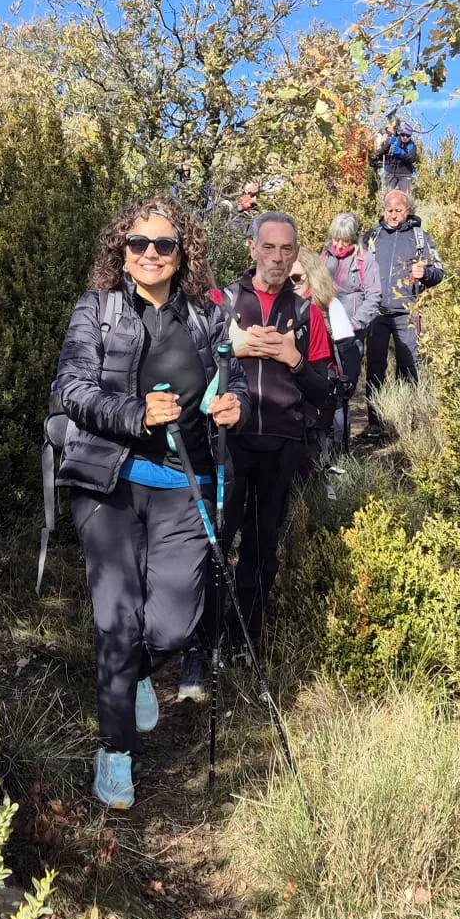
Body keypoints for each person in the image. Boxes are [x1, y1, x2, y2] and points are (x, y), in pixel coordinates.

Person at [53, 195, 248, 810]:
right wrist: (136, 415)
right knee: (118, 621)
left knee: (172, 624)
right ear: (123, 250)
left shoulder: (208, 316)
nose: (150, 254)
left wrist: (234, 405)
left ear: (182, 253)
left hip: (183, 485)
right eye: (139, 243)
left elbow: (235, 379)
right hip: (106, 482)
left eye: (164, 244)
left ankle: (137, 673)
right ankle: (115, 754)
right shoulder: (97, 309)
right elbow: (71, 388)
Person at [178, 211, 332, 696]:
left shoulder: (308, 314)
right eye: (268, 247)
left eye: (287, 249)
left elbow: (328, 393)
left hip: (281, 445)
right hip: (227, 442)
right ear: (252, 249)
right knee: (215, 543)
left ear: (296, 254)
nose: (277, 258)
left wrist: (294, 359)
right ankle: (201, 648)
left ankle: (245, 639)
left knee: (263, 549)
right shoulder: (220, 304)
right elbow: (189, 371)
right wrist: (233, 347)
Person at [364, 189, 444, 435]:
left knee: (408, 366)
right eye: (389, 210)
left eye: (398, 210)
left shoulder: (420, 238)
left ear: (408, 211)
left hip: (407, 312)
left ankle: (407, 422)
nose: (393, 215)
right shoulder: (372, 237)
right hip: (377, 312)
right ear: (383, 210)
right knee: (375, 367)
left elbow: (439, 272)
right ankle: (376, 422)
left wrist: (426, 273)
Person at [288, 246, 352, 478]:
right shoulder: (285, 307)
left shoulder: (328, 308)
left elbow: (347, 355)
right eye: (286, 278)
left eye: (297, 278)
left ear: (312, 275)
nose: (292, 283)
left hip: (323, 392)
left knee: (323, 452)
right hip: (296, 397)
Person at [321, 214, 381, 452]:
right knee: (327, 387)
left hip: (351, 335)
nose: (338, 245)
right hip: (325, 332)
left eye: (344, 240)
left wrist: (355, 323)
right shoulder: (325, 257)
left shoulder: (366, 260)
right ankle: (328, 446)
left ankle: (342, 447)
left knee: (345, 389)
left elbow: (374, 296)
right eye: (335, 239)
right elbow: (315, 290)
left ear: (354, 238)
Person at [370, 118, 420, 194]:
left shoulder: (412, 145)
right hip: (392, 173)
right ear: (400, 134)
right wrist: (388, 144)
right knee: (389, 194)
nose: (405, 137)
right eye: (403, 135)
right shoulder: (394, 140)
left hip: (405, 174)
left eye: (408, 136)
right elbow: (380, 153)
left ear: (410, 136)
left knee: (404, 195)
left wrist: (402, 153)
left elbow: (412, 159)